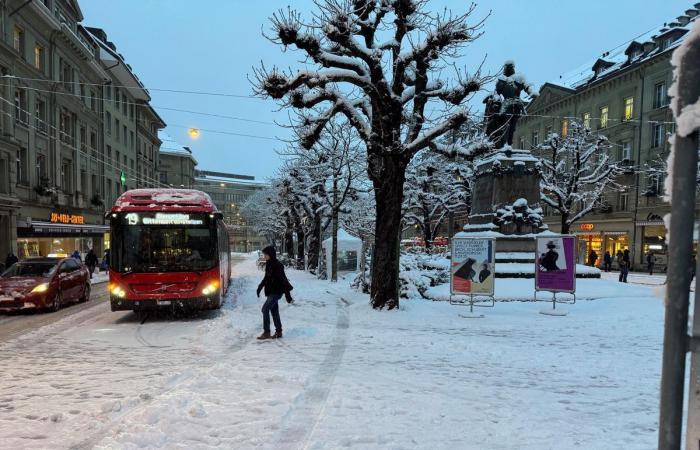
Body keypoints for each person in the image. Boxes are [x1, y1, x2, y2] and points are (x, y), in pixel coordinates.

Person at [256, 246, 293, 340]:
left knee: (265, 309)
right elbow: (266, 278)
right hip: (271, 291)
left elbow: (283, 280)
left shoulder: (278, 265)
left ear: (270, 254)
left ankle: (267, 332)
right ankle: (279, 331)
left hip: (276, 292)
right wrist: (260, 287)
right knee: (274, 311)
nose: (264, 256)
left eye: (266, 254)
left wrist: (288, 296)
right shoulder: (269, 264)